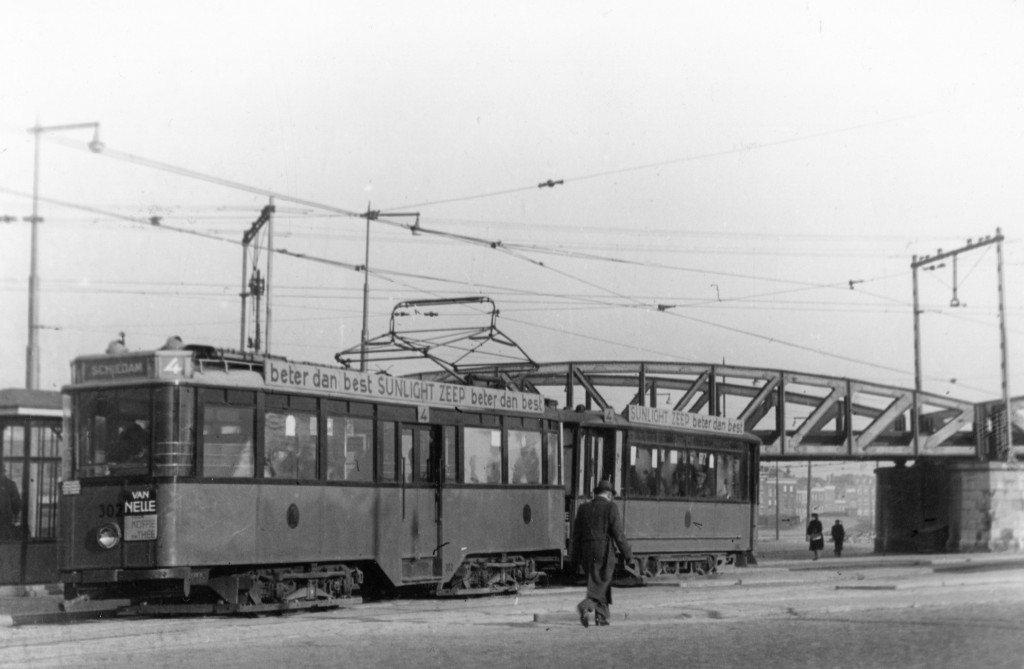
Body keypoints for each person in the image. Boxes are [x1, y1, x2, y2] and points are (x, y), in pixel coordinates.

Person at [572, 479, 633, 628]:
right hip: (603, 552)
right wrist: (628, 554)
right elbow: (618, 534)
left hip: (587, 553)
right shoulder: (611, 507)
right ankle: (585, 605)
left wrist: (574, 558)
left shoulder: (583, 508)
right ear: (608, 494)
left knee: (598, 584)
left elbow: (576, 536)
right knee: (601, 585)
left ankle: (603, 618)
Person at [0, 463, 22, 541]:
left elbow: (17, 504)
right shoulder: (11, 485)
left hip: (5, 520)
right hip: (6, 520)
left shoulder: (10, 485)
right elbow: (17, 504)